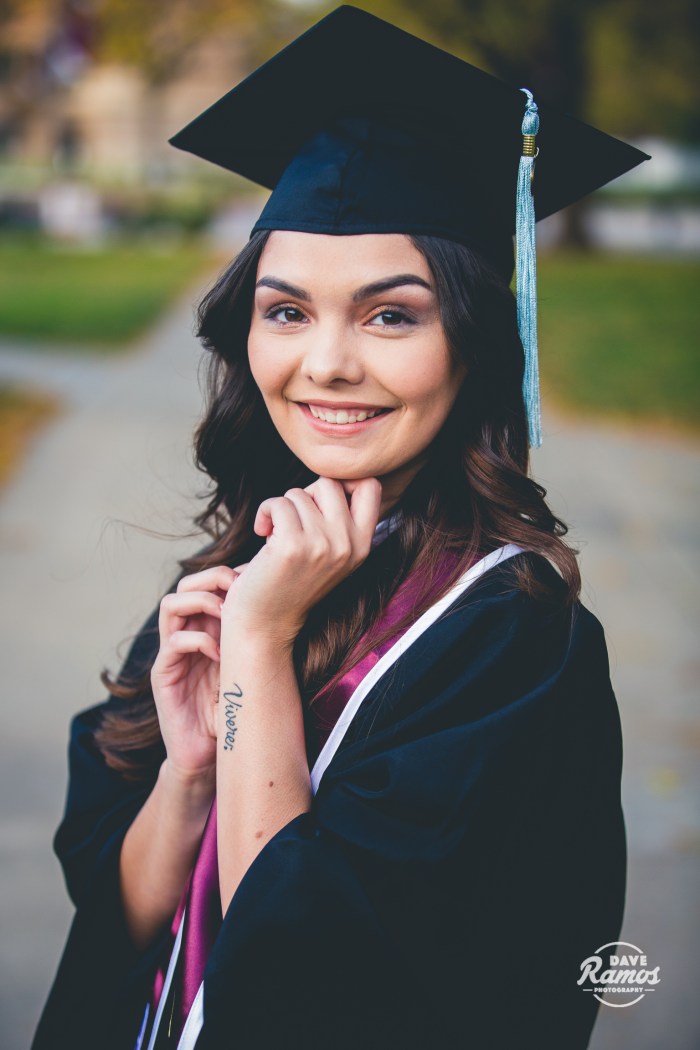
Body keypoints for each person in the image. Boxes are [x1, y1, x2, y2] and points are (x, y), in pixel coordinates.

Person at [32, 7, 649, 1050]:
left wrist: (261, 650)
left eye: (390, 314)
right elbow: (118, 917)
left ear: (474, 341)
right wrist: (190, 771)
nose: (325, 364)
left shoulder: (513, 644)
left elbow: (309, 969)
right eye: (286, 311)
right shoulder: (236, 569)